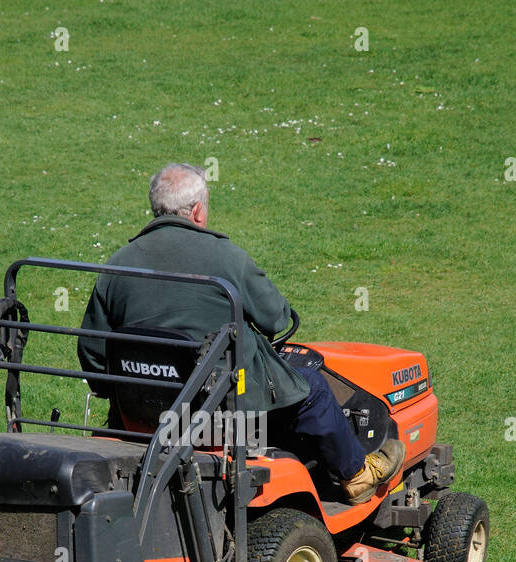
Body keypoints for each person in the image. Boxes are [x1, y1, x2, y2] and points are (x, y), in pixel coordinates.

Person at [78, 162, 405, 504]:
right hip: (218, 417)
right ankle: (356, 474)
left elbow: (92, 352)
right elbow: (278, 319)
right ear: (199, 211)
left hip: (140, 418)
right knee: (315, 390)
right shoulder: (225, 257)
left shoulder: (116, 264)